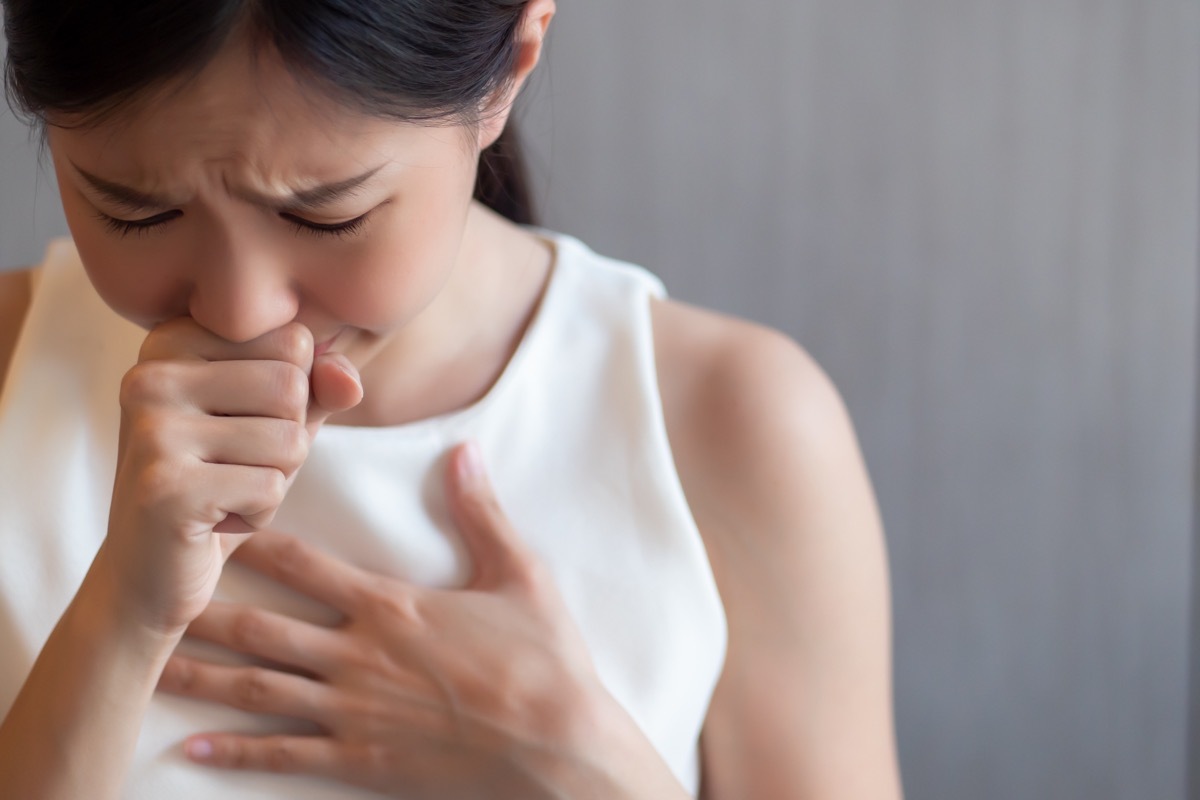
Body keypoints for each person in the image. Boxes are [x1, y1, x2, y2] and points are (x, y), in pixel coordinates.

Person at [0, 1, 903, 797]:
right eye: (138, 213)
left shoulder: (733, 421)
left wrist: (577, 763)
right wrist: (123, 614)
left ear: (511, 64)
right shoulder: (14, 366)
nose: (239, 313)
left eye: (325, 216)